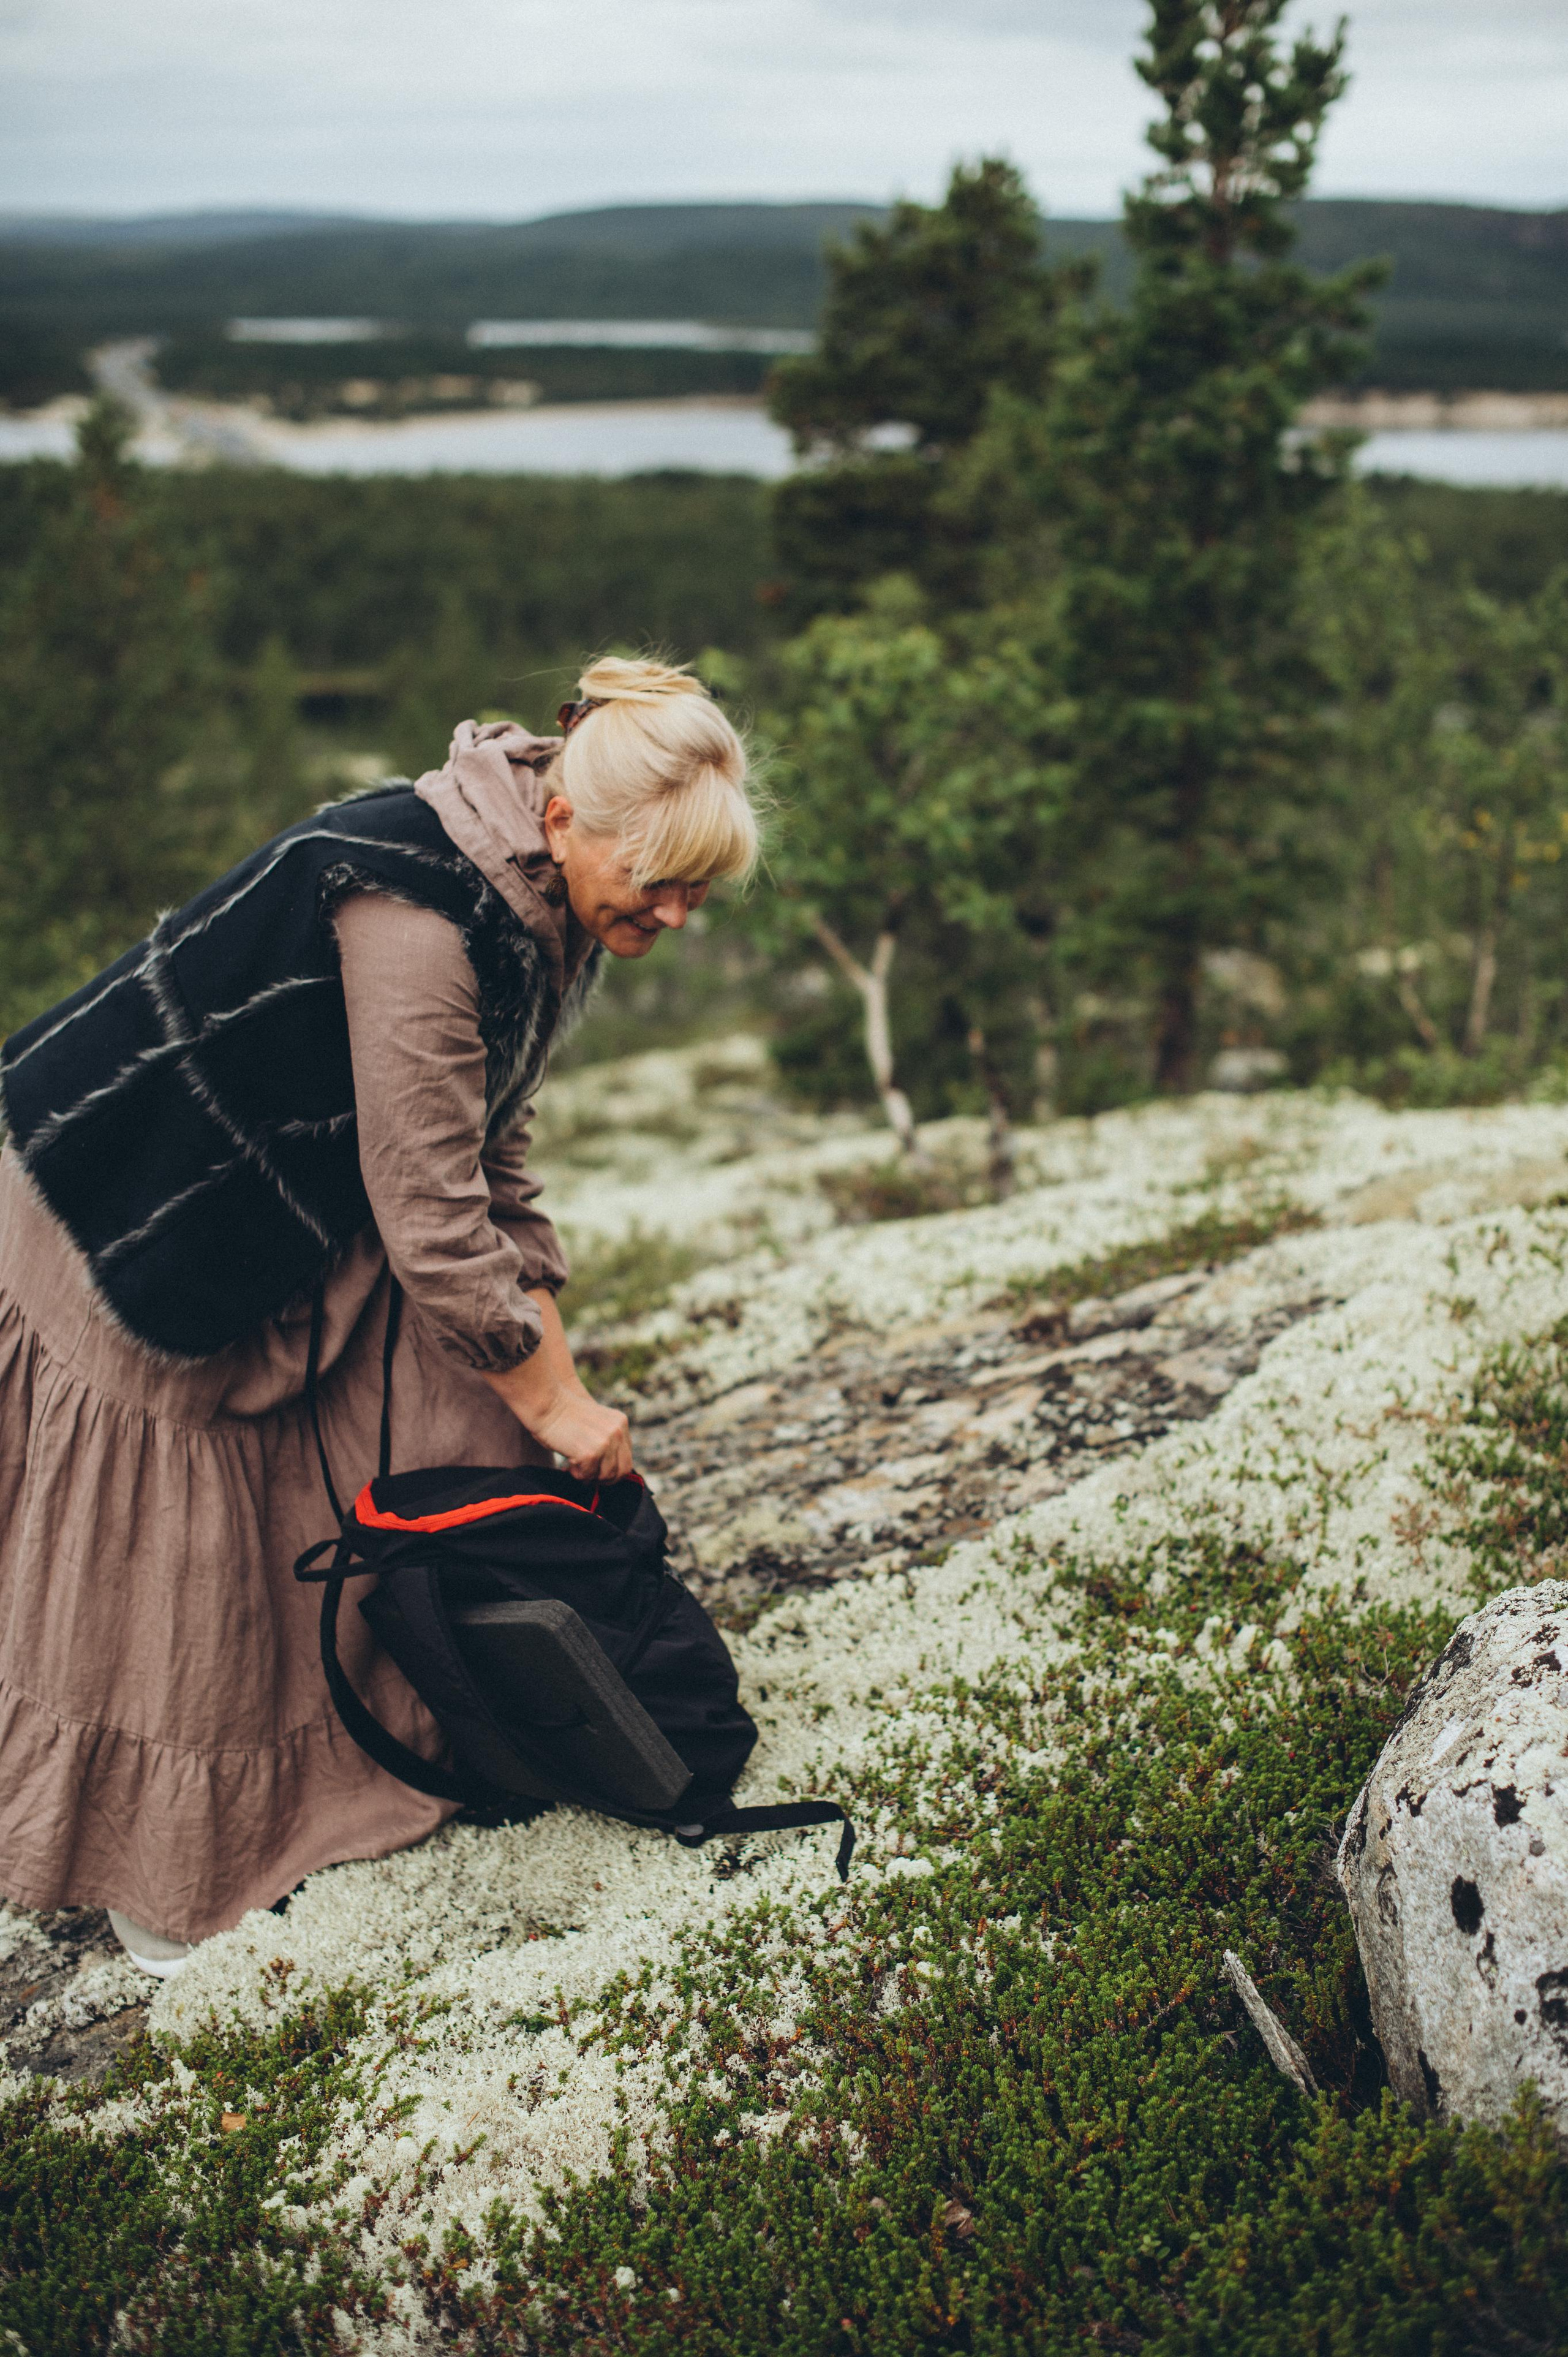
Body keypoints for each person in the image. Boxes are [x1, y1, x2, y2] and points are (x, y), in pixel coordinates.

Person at [0, 657, 756, 1976]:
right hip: (129, 1201)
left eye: (701, 890)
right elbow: (428, 1214)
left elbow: (490, 1149)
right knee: (176, 1554)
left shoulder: (546, 896)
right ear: (569, 818)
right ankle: (164, 1884)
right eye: (664, 882)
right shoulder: (412, 907)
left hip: (268, 1192)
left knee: (443, 1412)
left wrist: (546, 1356)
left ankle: (398, 1746)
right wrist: (554, 1397)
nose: (680, 915)